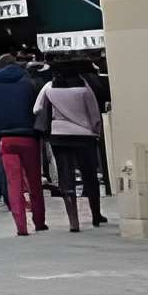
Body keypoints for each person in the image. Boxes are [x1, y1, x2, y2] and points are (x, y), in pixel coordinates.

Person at [0, 54, 47, 235]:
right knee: (34, 182)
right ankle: (39, 221)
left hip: (6, 139)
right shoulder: (28, 82)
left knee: (13, 184)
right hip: (29, 137)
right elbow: (39, 108)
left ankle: (21, 227)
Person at [35, 66, 108, 231]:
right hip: (85, 136)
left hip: (59, 136)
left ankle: (73, 222)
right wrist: (96, 132)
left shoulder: (49, 87)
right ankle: (96, 215)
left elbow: (37, 108)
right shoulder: (84, 89)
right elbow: (95, 116)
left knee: (65, 177)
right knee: (90, 176)